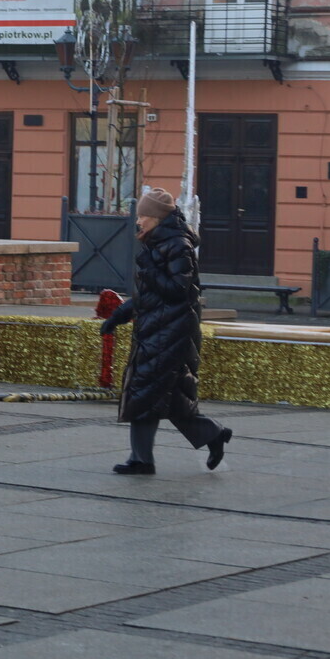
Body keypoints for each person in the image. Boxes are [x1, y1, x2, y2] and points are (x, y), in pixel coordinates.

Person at [102, 188, 233, 474]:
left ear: (158, 217)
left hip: (172, 334)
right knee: (161, 397)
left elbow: (178, 291)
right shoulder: (157, 243)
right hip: (155, 329)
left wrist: (150, 269)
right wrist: (119, 315)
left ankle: (143, 459)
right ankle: (206, 437)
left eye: (143, 216)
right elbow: (147, 294)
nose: (139, 221)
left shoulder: (178, 245)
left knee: (146, 393)